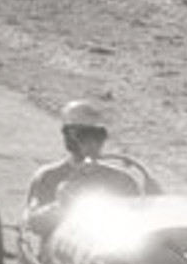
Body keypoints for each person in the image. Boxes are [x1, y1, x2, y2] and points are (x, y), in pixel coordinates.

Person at [23, 100, 140, 237]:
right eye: (83, 135)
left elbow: (139, 224)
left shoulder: (123, 180)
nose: (92, 142)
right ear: (67, 137)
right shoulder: (47, 177)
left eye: (97, 135)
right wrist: (60, 206)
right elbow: (33, 223)